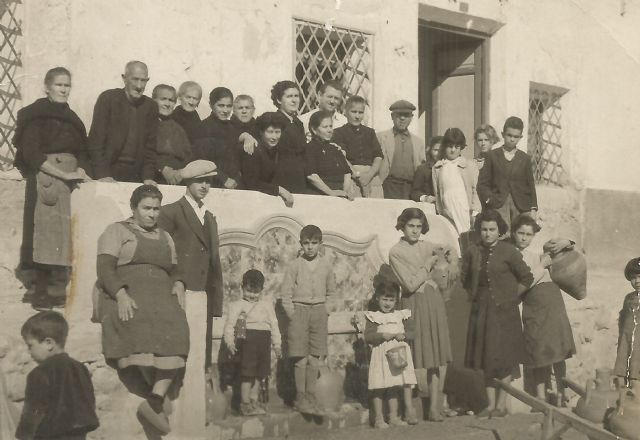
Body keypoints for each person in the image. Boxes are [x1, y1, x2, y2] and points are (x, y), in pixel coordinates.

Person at [96, 184, 189, 434]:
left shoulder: (165, 236)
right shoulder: (116, 230)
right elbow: (105, 268)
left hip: (162, 298)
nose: (152, 214)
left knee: (179, 332)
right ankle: (155, 402)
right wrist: (120, 294)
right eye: (146, 208)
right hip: (130, 294)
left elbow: (176, 268)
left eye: (156, 209)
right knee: (140, 326)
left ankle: (154, 400)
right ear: (134, 208)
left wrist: (179, 283)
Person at [14, 67, 92, 310]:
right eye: (59, 85)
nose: (63, 90)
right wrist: (62, 173)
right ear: (47, 87)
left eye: (67, 85)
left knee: (62, 235)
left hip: (67, 183)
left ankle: (57, 290)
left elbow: (83, 151)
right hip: (45, 179)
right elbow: (32, 153)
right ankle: (40, 291)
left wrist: (79, 170)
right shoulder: (35, 115)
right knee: (43, 234)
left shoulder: (72, 118)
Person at [157, 160, 225, 436]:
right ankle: (173, 426)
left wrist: (216, 299)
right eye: (200, 181)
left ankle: (193, 427)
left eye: (209, 181)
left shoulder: (209, 217)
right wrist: (176, 283)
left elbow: (214, 263)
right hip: (181, 295)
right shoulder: (171, 212)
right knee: (178, 356)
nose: (205, 186)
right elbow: (164, 253)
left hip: (203, 296)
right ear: (188, 183)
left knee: (199, 359)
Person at [461, 209, 534, 419]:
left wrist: (512, 297)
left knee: (504, 358)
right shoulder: (472, 251)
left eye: (492, 229)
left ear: (499, 230)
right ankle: (490, 405)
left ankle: (501, 405)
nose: (487, 233)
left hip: (504, 312)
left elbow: (526, 277)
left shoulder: (508, 251)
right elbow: (465, 278)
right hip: (481, 311)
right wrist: (474, 297)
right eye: (483, 229)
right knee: (486, 358)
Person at [388, 208, 453, 421]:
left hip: (434, 303)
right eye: (411, 226)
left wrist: (447, 254)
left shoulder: (427, 246)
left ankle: (434, 408)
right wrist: (428, 265)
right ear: (402, 226)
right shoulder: (396, 252)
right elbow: (410, 284)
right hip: (413, 305)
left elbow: (448, 252)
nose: (415, 231)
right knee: (412, 357)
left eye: (418, 226)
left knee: (435, 356)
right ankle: (409, 408)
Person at [510, 214, 576, 404]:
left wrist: (567, 241)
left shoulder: (537, 254)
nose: (524, 238)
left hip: (553, 303)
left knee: (558, 353)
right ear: (513, 233)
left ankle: (562, 396)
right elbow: (519, 288)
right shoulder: (510, 256)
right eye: (520, 233)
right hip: (533, 306)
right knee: (539, 353)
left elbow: (567, 250)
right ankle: (540, 399)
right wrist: (540, 267)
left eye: (528, 234)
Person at [16, 311, 99, 440]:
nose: (29, 351)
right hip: (78, 435)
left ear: (49, 343)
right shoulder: (80, 368)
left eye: (30, 345)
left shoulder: (39, 373)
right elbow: (89, 402)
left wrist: (24, 435)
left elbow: (34, 411)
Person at [280, 225, 336, 413]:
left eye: (314, 243)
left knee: (314, 358)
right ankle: (300, 397)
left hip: (319, 312)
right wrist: (292, 314)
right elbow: (285, 293)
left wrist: (326, 310)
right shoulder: (295, 265)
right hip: (300, 312)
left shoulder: (326, 265)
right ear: (301, 244)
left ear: (320, 244)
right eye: (306, 243)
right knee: (300, 359)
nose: (310, 247)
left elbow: (332, 292)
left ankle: (311, 395)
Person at [88, 60, 158, 184]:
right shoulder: (108, 99)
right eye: (135, 79)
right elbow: (96, 142)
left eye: (143, 81)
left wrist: (148, 177)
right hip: (108, 171)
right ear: (124, 78)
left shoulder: (150, 106)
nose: (139, 85)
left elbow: (150, 147)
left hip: (136, 175)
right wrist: (103, 175)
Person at [223, 270, 282, 416]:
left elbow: (274, 326)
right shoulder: (237, 305)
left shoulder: (267, 306)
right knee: (247, 374)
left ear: (261, 290)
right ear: (242, 287)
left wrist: (277, 345)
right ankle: (245, 403)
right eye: (249, 291)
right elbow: (229, 326)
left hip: (263, 342)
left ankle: (253, 402)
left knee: (258, 374)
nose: (252, 295)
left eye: (256, 292)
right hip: (247, 342)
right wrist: (229, 342)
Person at [365, 279, 418, 428]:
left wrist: (404, 335)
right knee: (380, 385)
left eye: (391, 299)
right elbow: (368, 336)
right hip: (381, 356)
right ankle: (379, 418)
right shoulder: (374, 317)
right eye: (384, 299)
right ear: (377, 299)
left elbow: (413, 333)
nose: (387, 303)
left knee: (394, 384)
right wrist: (381, 336)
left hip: (398, 355)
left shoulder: (402, 315)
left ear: (396, 300)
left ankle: (393, 416)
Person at [477, 116, 538, 227]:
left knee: (518, 237)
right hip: (499, 205)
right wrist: (489, 199)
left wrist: (533, 208)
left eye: (516, 136)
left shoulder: (525, 158)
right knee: (502, 237)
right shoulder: (492, 156)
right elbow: (482, 184)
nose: (512, 139)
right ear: (503, 134)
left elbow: (531, 185)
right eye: (509, 135)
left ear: (521, 137)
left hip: (521, 206)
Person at [332, 95, 384, 198]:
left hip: (371, 175)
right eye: (353, 112)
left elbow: (378, 156)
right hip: (351, 176)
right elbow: (340, 157)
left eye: (360, 113)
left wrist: (369, 175)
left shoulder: (370, 132)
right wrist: (357, 175)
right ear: (345, 112)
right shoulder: (338, 133)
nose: (357, 116)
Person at [192, 87, 244, 189]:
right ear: (211, 105)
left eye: (229, 106)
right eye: (221, 106)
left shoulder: (233, 128)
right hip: (211, 184)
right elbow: (202, 160)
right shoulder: (203, 127)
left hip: (235, 185)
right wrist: (223, 179)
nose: (225, 110)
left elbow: (237, 160)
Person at [241, 111, 295, 207]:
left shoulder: (278, 150)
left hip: (266, 201)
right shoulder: (253, 149)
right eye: (270, 132)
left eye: (277, 132)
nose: (274, 137)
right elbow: (252, 183)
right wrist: (279, 190)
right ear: (261, 132)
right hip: (247, 201)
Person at [432, 128, 481, 235]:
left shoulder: (469, 165)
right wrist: (441, 211)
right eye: (450, 146)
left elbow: (475, 190)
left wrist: (474, 213)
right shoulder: (438, 167)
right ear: (445, 146)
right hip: (447, 210)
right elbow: (437, 192)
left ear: (461, 148)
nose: (453, 150)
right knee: (451, 236)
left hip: (464, 208)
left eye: (457, 147)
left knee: (466, 236)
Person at [265, 80, 308, 194]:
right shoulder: (273, 120)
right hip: (280, 178)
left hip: (299, 177)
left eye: (296, 96)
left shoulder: (298, 123)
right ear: (279, 100)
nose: (294, 100)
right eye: (289, 96)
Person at [377, 100, 426, 199]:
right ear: (392, 116)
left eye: (406, 115)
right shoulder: (381, 137)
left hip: (410, 188)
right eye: (399, 115)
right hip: (388, 186)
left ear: (411, 118)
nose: (402, 118)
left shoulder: (418, 142)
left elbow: (422, 168)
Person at [306, 110, 354, 199]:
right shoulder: (310, 148)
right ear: (314, 129)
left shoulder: (335, 148)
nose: (330, 130)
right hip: (320, 195)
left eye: (331, 126)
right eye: (325, 127)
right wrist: (331, 193)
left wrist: (345, 192)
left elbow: (347, 172)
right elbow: (312, 176)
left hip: (341, 195)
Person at [152, 84, 192, 185]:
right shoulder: (146, 124)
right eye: (163, 99)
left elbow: (188, 157)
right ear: (153, 100)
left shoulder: (178, 129)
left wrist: (179, 173)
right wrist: (162, 168)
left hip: (176, 180)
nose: (167, 104)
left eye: (171, 100)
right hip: (152, 177)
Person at [614, 257, 640, 390]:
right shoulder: (628, 298)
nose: (637, 281)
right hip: (626, 341)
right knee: (621, 371)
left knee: (636, 374)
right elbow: (623, 321)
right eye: (633, 278)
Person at [410, 135, 442, 203]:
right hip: (430, 207)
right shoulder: (422, 169)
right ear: (430, 150)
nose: (439, 153)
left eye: (442, 150)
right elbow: (414, 193)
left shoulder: (450, 168)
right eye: (436, 150)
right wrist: (426, 198)